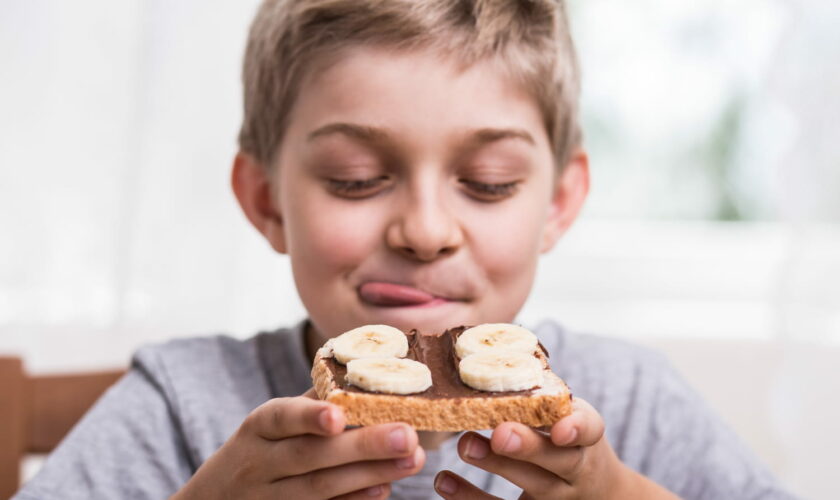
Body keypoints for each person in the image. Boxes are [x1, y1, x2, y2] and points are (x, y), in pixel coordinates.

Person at [15, 1, 797, 499]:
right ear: (265, 200)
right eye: (356, 179)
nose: (424, 231)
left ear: (556, 203)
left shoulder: (636, 404)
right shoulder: (178, 406)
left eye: (487, 183)